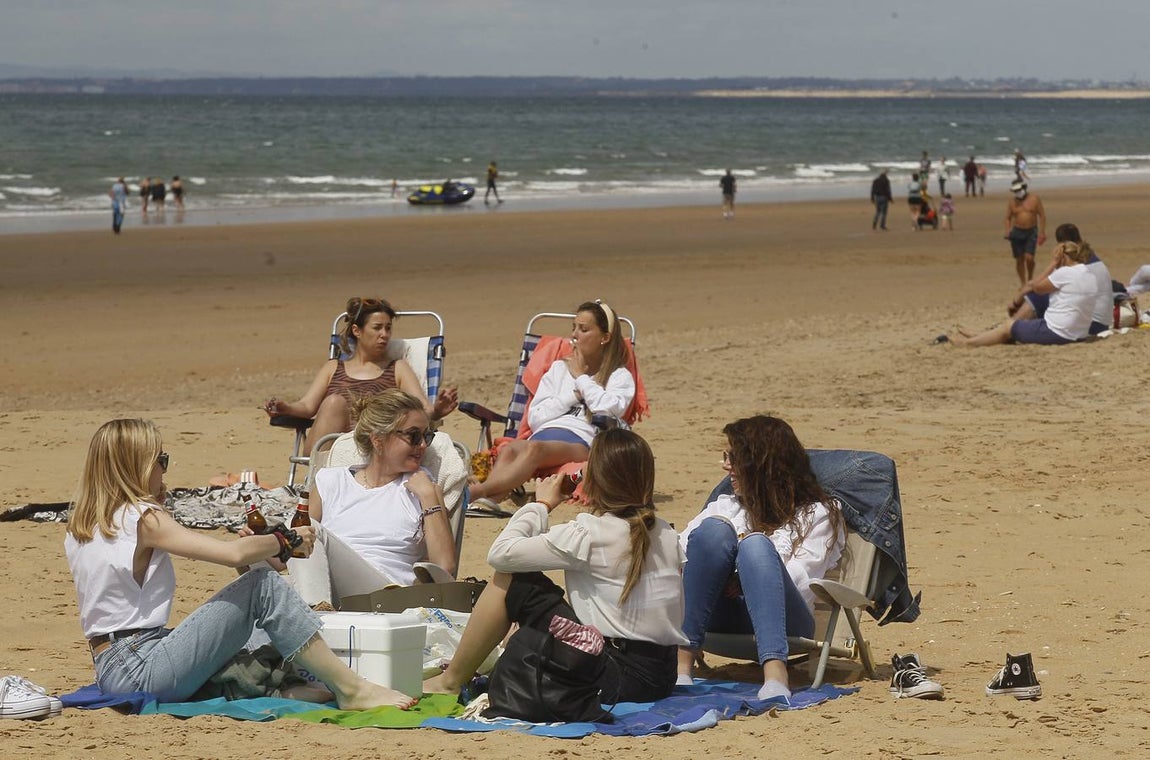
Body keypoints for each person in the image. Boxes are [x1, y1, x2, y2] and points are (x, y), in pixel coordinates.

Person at [64, 419, 414, 709]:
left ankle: (278, 688)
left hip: (112, 665)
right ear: (139, 465)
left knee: (257, 625)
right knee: (263, 587)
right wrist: (286, 540)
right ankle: (352, 689)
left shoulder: (85, 523)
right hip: (140, 664)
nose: (164, 468)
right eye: (161, 460)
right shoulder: (144, 518)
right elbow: (231, 555)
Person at [424, 428, 688, 706]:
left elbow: (500, 554)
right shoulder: (666, 533)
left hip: (616, 678)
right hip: (661, 676)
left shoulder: (589, 534)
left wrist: (542, 504)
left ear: (592, 481)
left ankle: (450, 681)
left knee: (512, 581)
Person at [676, 416, 845, 703]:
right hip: (720, 614)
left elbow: (801, 581)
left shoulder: (817, 514)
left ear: (763, 465)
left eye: (734, 458)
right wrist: (722, 574)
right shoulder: (726, 506)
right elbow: (680, 554)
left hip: (785, 619)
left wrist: (743, 575)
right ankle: (681, 666)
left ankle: (776, 674)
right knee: (712, 531)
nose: (725, 465)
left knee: (755, 546)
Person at [288, 390, 456, 605]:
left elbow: (444, 566)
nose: (422, 444)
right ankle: (314, 611)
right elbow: (290, 551)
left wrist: (428, 496)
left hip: (387, 593)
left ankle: (314, 616)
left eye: (427, 436)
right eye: (413, 436)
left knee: (308, 529)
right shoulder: (331, 481)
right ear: (378, 440)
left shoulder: (425, 489)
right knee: (265, 578)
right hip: (326, 584)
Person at [468, 300, 633, 503]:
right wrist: (573, 396)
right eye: (574, 328)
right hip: (542, 436)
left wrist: (581, 378)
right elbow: (536, 418)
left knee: (534, 449)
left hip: (581, 442)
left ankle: (478, 492)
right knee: (509, 449)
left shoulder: (619, 376)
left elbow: (607, 410)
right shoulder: (559, 369)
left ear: (604, 338)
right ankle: (492, 500)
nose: (574, 335)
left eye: (583, 329)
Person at [264, 297, 458, 455]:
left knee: (340, 404)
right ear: (357, 330)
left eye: (388, 328)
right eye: (377, 327)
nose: (384, 334)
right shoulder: (333, 367)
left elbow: (422, 409)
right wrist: (286, 408)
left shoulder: (397, 368)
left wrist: (437, 411)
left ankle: (320, 479)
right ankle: (321, 474)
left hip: (373, 449)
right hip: (329, 448)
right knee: (334, 403)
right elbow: (307, 406)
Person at [952, 240, 1098, 346]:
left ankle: (967, 343)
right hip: (1079, 333)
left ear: (1062, 257)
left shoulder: (1065, 273)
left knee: (1008, 326)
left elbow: (1035, 287)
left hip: (1059, 332)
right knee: (1020, 324)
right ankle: (979, 335)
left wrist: (1053, 264)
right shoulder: (1089, 273)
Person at [1007, 223, 1113, 336]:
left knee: (1038, 296)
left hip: (1088, 325)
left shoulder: (1073, 263)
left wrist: (1016, 302)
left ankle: (1011, 327)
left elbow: (1036, 285)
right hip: (1101, 324)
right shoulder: (1092, 259)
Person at [1004, 179, 1047, 286]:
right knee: (1019, 259)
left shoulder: (1034, 199)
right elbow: (1008, 218)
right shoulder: (1012, 202)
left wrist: (1042, 232)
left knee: (1029, 258)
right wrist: (1008, 230)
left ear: (1024, 188)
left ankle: (1030, 278)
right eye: (1015, 191)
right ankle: (1023, 282)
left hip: (1031, 231)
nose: (1017, 192)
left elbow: (1042, 216)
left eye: (1018, 190)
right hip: (1017, 231)